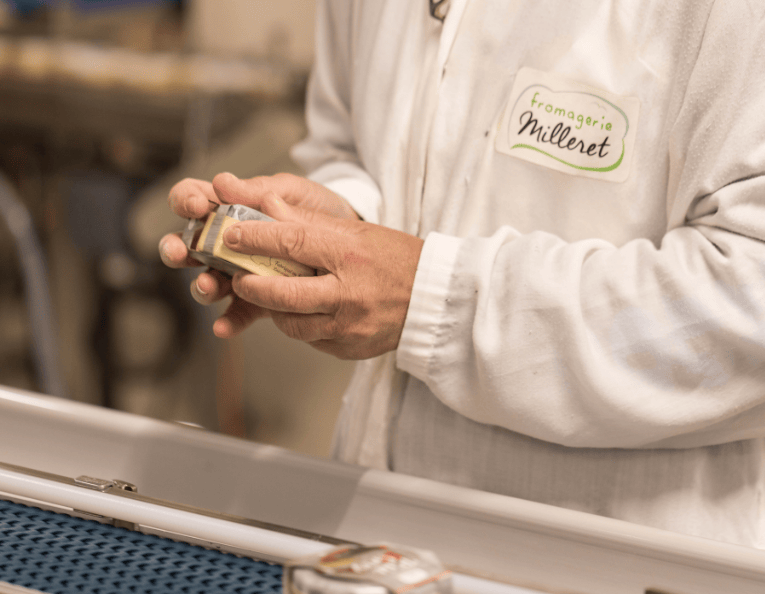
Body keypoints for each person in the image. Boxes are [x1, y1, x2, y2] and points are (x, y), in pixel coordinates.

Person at [160, 0, 765, 546]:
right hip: (374, 531)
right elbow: (348, 142)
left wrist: (428, 299)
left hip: (622, 570)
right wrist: (339, 227)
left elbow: (749, 298)